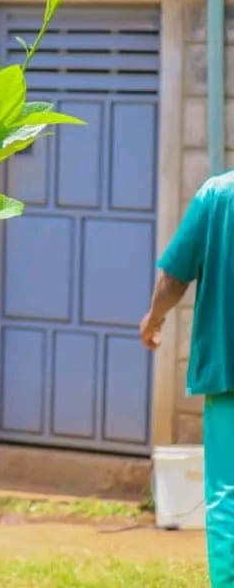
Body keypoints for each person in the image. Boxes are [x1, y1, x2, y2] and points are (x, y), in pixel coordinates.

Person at [140, 171, 234, 587]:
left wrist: (153, 319)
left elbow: (174, 277)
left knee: (228, 495)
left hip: (227, 371)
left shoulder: (217, 195)